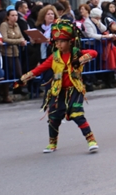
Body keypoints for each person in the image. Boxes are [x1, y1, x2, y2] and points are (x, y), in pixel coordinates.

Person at [20, 20, 99, 154]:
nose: (58, 44)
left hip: (74, 89)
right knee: (54, 117)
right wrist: (25, 77)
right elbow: (40, 68)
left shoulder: (76, 52)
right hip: (58, 91)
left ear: (70, 41)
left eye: (61, 41)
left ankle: (91, 140)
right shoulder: (54, 57)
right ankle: (52, 143)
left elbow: (93, 53)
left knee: (77, 113)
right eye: (56, 42)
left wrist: (80, 60)